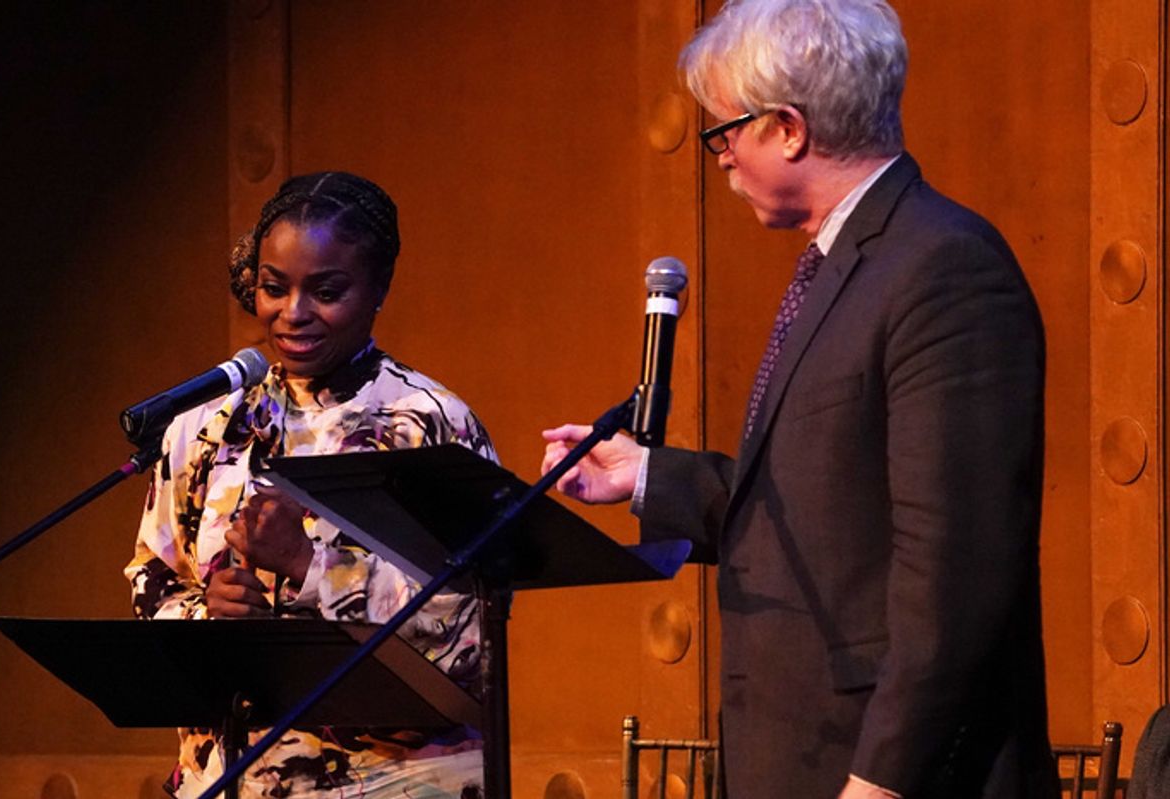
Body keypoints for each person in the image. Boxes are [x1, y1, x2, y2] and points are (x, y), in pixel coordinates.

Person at [542, 1, 1057, 797]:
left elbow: (959, 568)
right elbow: (823, 507)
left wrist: (881, 780)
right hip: (794, 752)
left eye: (725, 132)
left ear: (787, 127)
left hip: (890, 770)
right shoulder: (847, 260)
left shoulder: (943, 268)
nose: (718, 157)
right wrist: (646, 475)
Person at [126, 171, 495, 799]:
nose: (293, 313)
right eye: (274, 288)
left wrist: (306, 566)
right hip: (224, 779)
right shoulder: (204, 429)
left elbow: (468, 634)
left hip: (396, 781)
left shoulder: (429, 425)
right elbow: (151, 579)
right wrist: (208, 611)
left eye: (326, 291)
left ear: (378, 288)